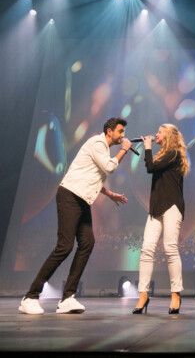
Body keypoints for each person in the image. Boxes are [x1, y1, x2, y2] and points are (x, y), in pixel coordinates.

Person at [18, 117, 132, 315]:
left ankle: (68, 298)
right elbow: (109, 168)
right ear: (109, 131)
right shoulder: (97, 142)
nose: (123, 136)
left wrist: (109, 194)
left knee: (87, 242)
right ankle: (30, 296)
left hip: (81, 199)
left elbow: (91, 174)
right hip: (70, 196)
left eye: (123, 133)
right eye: (120, 131)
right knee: (64, 246)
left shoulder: (102, 148)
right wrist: (125, 149)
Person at [133, 124, 189, 315]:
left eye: (159, 132)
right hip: (156, 208)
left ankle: (176, 294)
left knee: (170, 248)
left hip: (172, 206)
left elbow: (150, 167)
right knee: (147, 248)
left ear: (168, 136)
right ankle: (143, 294)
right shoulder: (164, 154)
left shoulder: (174, 153)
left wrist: (147, 147)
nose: (155, 135)